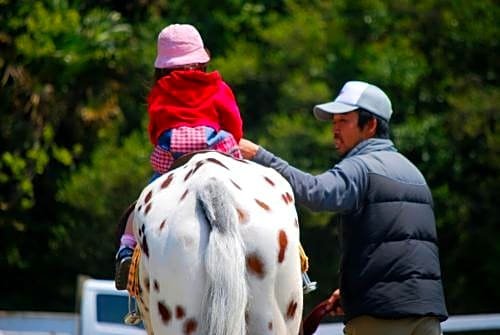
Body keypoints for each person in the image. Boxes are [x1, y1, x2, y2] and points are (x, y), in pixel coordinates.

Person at [239, 80, 448, 335]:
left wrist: (260, 156)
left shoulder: (361, 166)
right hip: (427, 314)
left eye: (343, 121)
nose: (334, 130)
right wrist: (349, 292)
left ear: (370, 125)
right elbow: (401, 250)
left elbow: (316, 193)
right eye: (333, 122)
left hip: (380, 315)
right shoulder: (414, 173)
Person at [114, 23, 243, 290]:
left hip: (173, 154)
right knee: (258, 190)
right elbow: (235, 126)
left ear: (163, 66)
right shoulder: (218, 87)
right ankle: (295, 257)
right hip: (217, 148)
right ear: (200, 60)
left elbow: (155, 131)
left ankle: (126, 251)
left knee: (141, 203)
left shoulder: (160, 91)